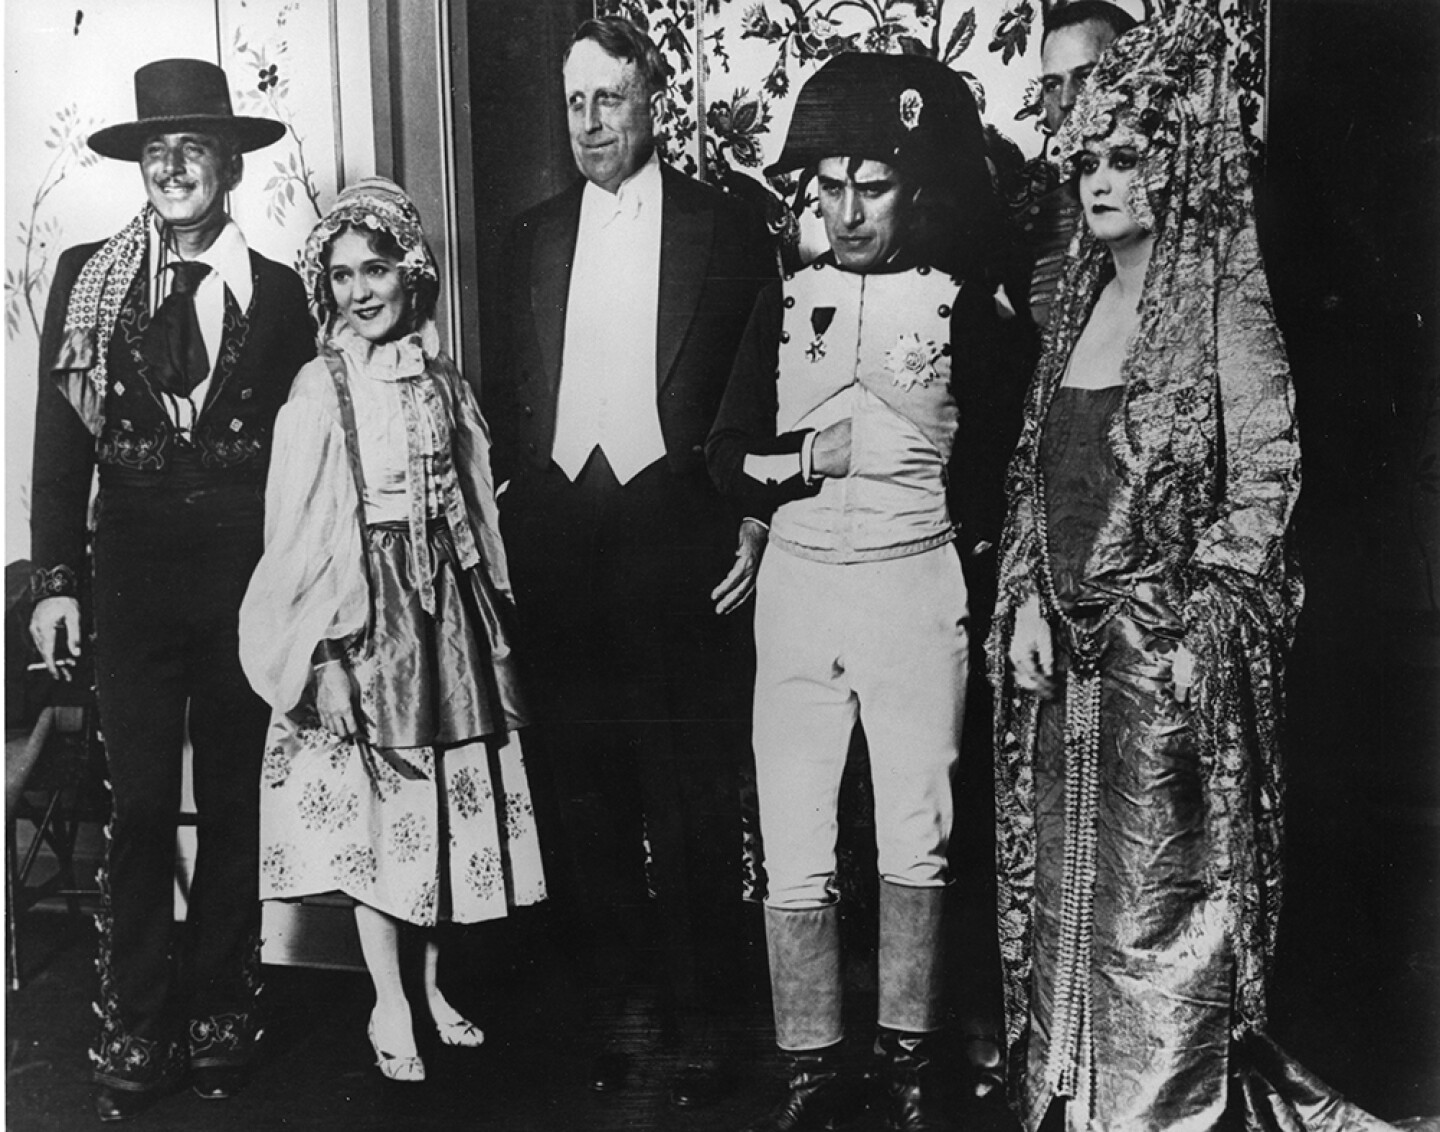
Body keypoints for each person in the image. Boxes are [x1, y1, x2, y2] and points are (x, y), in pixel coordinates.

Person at [991, 11, 1432, 1129]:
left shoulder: (1224, 299)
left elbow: (1266, 479)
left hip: (1167, 666)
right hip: (1067, 671)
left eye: (1127, 156)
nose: (1099, 179)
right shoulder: (1074, 308)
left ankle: (1157, 1111)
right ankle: (1072, 1098)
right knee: (1063, 900)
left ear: (1175, 158)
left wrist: (1196, 628)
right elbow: (1035, 476)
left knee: (1156, 906)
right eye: (1086, 158)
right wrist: (1029, 597)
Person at [707, 53, 1010, 1132]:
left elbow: (996, 472)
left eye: (870, 185)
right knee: (795, 831)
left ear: (914, 189)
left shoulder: (964, 306)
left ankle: (909, 1062)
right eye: (826, 185)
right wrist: (797, 468)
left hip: (912, 583)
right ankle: (810, 1068)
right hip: (798, 591)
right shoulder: (783, 301)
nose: (845, 211)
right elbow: (723, 453)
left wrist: (976, 581)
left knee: (916, 831)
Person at [484, 15, 775, 1107]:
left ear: (653, 97)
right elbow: (513, 400)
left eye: (610, 99)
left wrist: (750, 516)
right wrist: (518, 504)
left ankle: (704, 1016)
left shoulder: (730, 227)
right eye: (574, 103)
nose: (590, 123)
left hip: (677, 534)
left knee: (688, 788)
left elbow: (761, 384)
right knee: (585, 791)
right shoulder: (529, 237)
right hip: (561, 540)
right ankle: (625, 1004)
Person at [26, 59, 315, 1121]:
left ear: (230, 163)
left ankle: (220, 1005)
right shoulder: (87, 278)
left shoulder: (283, 292)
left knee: (236, 797)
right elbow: (60, 449)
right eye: (156, 150)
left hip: (247, 581)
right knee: (141, 806)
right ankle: (136, 1014)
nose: (173, 166)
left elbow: (313, 448)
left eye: (194, 148)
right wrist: (58, 578)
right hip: (133, 578)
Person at [238, 178, 545, 1083]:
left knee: (436, 811)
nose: (359, 291)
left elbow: (475, 507)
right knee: (380, 814)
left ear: (413, 274)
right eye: (340, 276)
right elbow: (296, 536)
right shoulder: (319, 386)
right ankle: (388, 997)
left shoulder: (443, 379)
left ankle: (435, 984)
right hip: (360, 613)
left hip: (442, 611)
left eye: (376, 270)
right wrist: (326, 656)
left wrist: (486, 614)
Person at [1019, 1, 1136, 329]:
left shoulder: (1179, 207)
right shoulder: (1034, 225)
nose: (1066, 100)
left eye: (1085, 76)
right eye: (1052, 84)